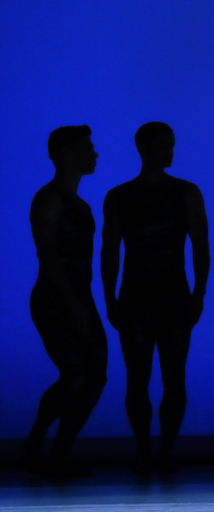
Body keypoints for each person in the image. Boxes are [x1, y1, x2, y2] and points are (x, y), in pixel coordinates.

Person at [101, 122, 210, 473]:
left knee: (172, 377)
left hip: (171, 297)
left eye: (171, 146)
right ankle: (148, 452)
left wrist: (199, 293)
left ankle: (161, 452)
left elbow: (201, 248)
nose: (169, 152)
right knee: (139, 378)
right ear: (142, 147)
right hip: (139, 298)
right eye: (163, 146)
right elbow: (109, 251)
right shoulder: (119, 196)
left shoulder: (186, 192)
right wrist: (109, 298)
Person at [24, 125, 108, 477]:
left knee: (94, 376)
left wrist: (81, 301)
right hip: (56, 299)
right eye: (87, 148)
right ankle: (36, 444)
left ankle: (57, 454)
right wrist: (71, 301)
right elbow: (48, 253)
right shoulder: (50, 198)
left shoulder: (77, 202)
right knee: (76, 372)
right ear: (65, 155)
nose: (95, 153)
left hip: (78, 298)